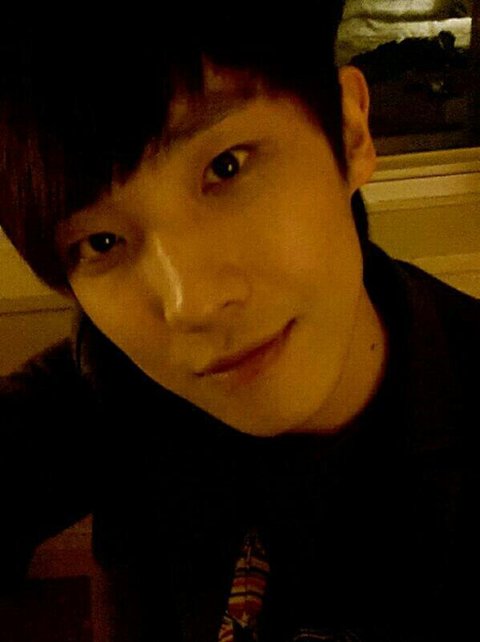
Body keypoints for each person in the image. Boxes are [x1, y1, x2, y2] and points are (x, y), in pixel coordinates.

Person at [0, 5, 478, 642]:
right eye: (102, 242)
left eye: (226, 166)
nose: (190, 303)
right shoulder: (116, 375)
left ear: (349, 132)